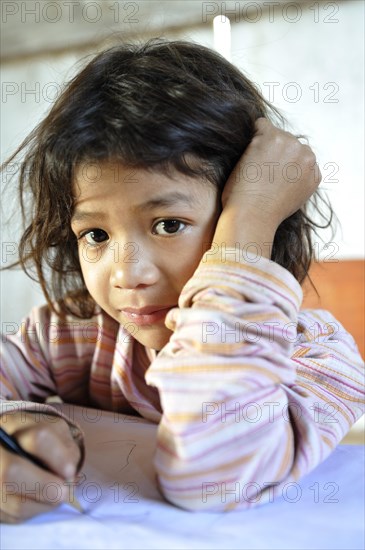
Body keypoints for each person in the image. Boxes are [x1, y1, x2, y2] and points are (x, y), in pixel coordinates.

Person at [0, 38, 363, 523]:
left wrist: (250, 222)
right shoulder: (69, 334)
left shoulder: (319, 361)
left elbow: (211, 479)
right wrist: (19, 421)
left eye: (168, 224)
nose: (128, 274)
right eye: (95, 234)